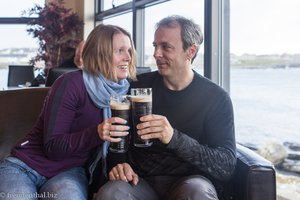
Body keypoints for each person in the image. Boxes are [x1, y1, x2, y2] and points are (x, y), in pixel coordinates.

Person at [94, 15, 236, 200]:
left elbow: (226, 165)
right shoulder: (136, 86)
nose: (156, 54)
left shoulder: (216, 98)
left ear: (190, 51)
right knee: (111, 193)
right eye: (155, 46)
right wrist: (119, 164)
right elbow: (117, 138)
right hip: (139, 181)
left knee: (197, 193)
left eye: (166, 47)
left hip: (190, 182)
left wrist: (173, 138)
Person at [0, 24, 136, 200]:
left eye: (129, 51)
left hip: (69, 171)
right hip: (25, 166)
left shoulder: (124, 92)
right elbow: (52, 148)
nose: (128, 57)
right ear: (99, 53)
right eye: (119, 51)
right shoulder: (72, 83)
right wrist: (96, 132)